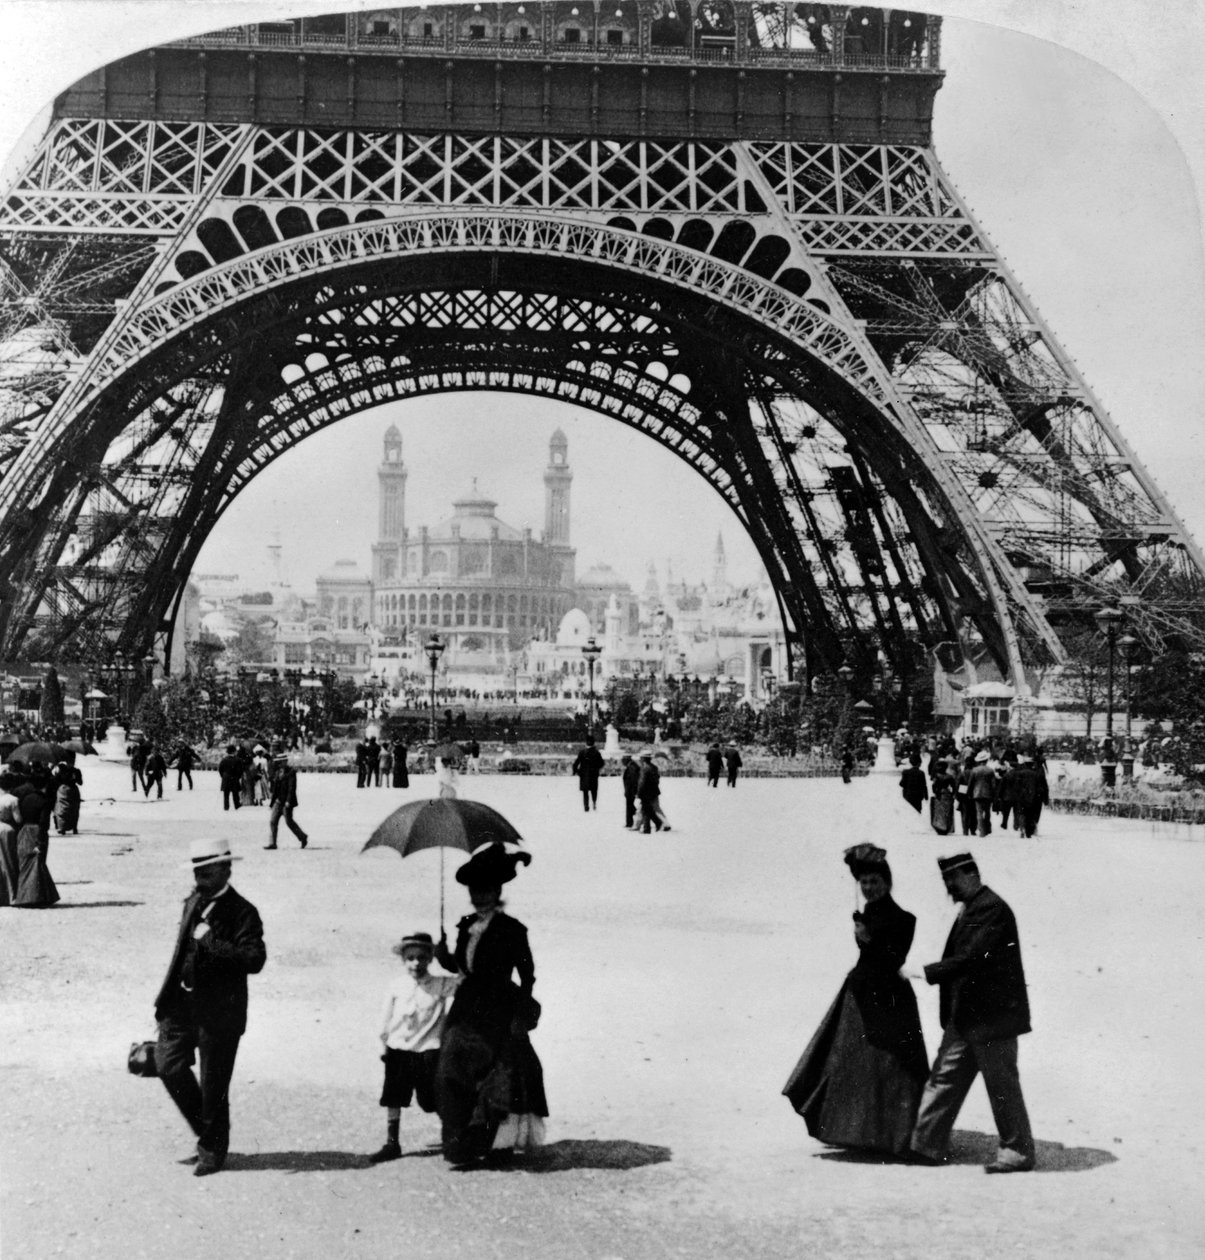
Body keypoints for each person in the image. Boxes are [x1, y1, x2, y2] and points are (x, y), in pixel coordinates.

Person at [783, 848, 929, 1157]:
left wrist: (869, 941)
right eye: (864, 882)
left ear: (888, 882)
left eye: (875, 881)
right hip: (859, 997)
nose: (869, 888)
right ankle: (858, 1131)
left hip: (887, 999)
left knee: (890, 1066)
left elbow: (893, 960)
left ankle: (891, 1136)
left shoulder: (904, 919)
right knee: (851, 1065)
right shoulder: (867, 915)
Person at [907, 853, 1035, 1173]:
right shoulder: (974, 907)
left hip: (993, 1020)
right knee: (944, 1078)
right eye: (945, 881)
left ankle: (1017, 1152)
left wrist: (925, 972)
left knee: (1001, 1086)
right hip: (966, 1015)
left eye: (953, 879)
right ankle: (924, 1145)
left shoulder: (992, 908)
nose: (949, 887)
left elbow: (971, 958)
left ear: (973, 874)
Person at [154, 837, 266, 1176]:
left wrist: (212, 943)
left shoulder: (243, 911)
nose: (200, 877)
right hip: (182, 1005)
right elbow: (179, 952)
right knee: (167, 1065)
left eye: (207, 870)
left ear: (227, 869)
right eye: (197, 870)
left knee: (214, 1083)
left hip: (220, 1012)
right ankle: (208, 1133)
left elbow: (254, 959)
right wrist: (164, 1001)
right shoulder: (193, 901)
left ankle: (212, 1149)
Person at [434, 842, 547, 1166]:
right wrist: (445, 957)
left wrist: (521, 1017)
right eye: (474, 889)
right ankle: (461, 1145)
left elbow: (528, 976)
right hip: (467, 1007)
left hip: (498, 1009)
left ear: (497, 889)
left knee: (497, 1076)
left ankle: (497, 1145)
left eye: (485, 888)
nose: (479, 895)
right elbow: (461, 967)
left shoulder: (512, 930)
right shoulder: (465, 925)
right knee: (451, 1069)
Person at [368, 931, 461, 1163]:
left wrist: (446, 956)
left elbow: (466, 980)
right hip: (398, 1049)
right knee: (393, 1096)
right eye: (410, 958)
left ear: (430, 959)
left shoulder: (440, 984)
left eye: (422, 957)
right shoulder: (396, 986)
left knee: (431, 1100)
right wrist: (383, 1047)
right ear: (403, 960)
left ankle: (453, 1136)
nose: (416, 963)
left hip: (428, 1051)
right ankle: (392, 1143)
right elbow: (384, 1019)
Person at [12, 763, 58, 909]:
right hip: (37, 831)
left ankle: (24, 894)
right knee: (38, 862)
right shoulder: (44, 801)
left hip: (24, 830)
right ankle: (37, 895)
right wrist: (40, 841)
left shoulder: (25, 798)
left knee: (26, 863)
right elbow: (44, 822)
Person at [265, 753, 308, 850]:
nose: (279, 764)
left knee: (289, 822)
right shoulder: (277, 772)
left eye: (281, 762)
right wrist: (272, 803)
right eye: (278, 762)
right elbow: (275, 789)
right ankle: (273, 844)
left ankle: (302, 837)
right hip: (278, 801)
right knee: (272, 821)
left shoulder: (291, 772)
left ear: (285, 761)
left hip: (286, 802)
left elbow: (291, 788)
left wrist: (288, 801)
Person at [0, 770, 22, 905]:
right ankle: (11, 895)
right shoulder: (13, 800)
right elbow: (18, 819)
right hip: (7, 830)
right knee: (9, 862)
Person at [636, 750, 669, 833]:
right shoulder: (654, 767)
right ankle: (643, 825)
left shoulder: (644, 769)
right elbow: (657, 780)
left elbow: (642, 782)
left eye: (641, 758)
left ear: (643, 759)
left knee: (649, 809)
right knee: (649, 809)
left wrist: (639, 793)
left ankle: (659, 824)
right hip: (654, 792)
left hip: (646, 793)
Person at [571, 734, 605, 812]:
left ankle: (586, 806)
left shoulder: (582, 752)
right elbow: (601, 763)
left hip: (584, 775)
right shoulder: (596, 752)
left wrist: (576, 771)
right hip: (593, 774)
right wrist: (596, 768)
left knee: (585, 792)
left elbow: (576, 763)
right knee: (594, 790)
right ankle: (594, 802)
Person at [52, 752, 83, 835]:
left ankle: (67, 827)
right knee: (68, 809)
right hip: (69, 790)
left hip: (67, 791)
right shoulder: (66, 769)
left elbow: (80, 782)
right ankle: (67, 827)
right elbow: (80, 783)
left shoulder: (71, 770)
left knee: (67, 809)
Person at [967, 750, 996, 837]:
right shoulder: (990, 770)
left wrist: (969, 793)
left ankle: (981, 831)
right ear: (986, 760)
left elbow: (970, 783)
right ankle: (987, 829)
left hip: (977, 794)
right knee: (987, 812)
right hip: (988, 794)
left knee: (979, 812)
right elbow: (993, 784)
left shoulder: (975, 770)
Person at [218, 745, 243, 812]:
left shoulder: (224, 760)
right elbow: (240, 770)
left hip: (226, 778)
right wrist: (238, 777)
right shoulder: (238, 760)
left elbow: (220, 769)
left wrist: (223, 776)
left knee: (226, 794)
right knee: (235, 793)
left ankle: (226, 806)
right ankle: (236, 805)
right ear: (234, 751)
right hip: (234, 778)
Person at [621, 754, 640, 828]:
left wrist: (634, 791)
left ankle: (629, 822)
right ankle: (634, 817)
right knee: (630, 806)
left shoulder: (632, 767)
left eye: (623, 760)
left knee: (629, 806)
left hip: (630, 790)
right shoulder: (631, 766)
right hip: (629, 790)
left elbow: (634, 780)